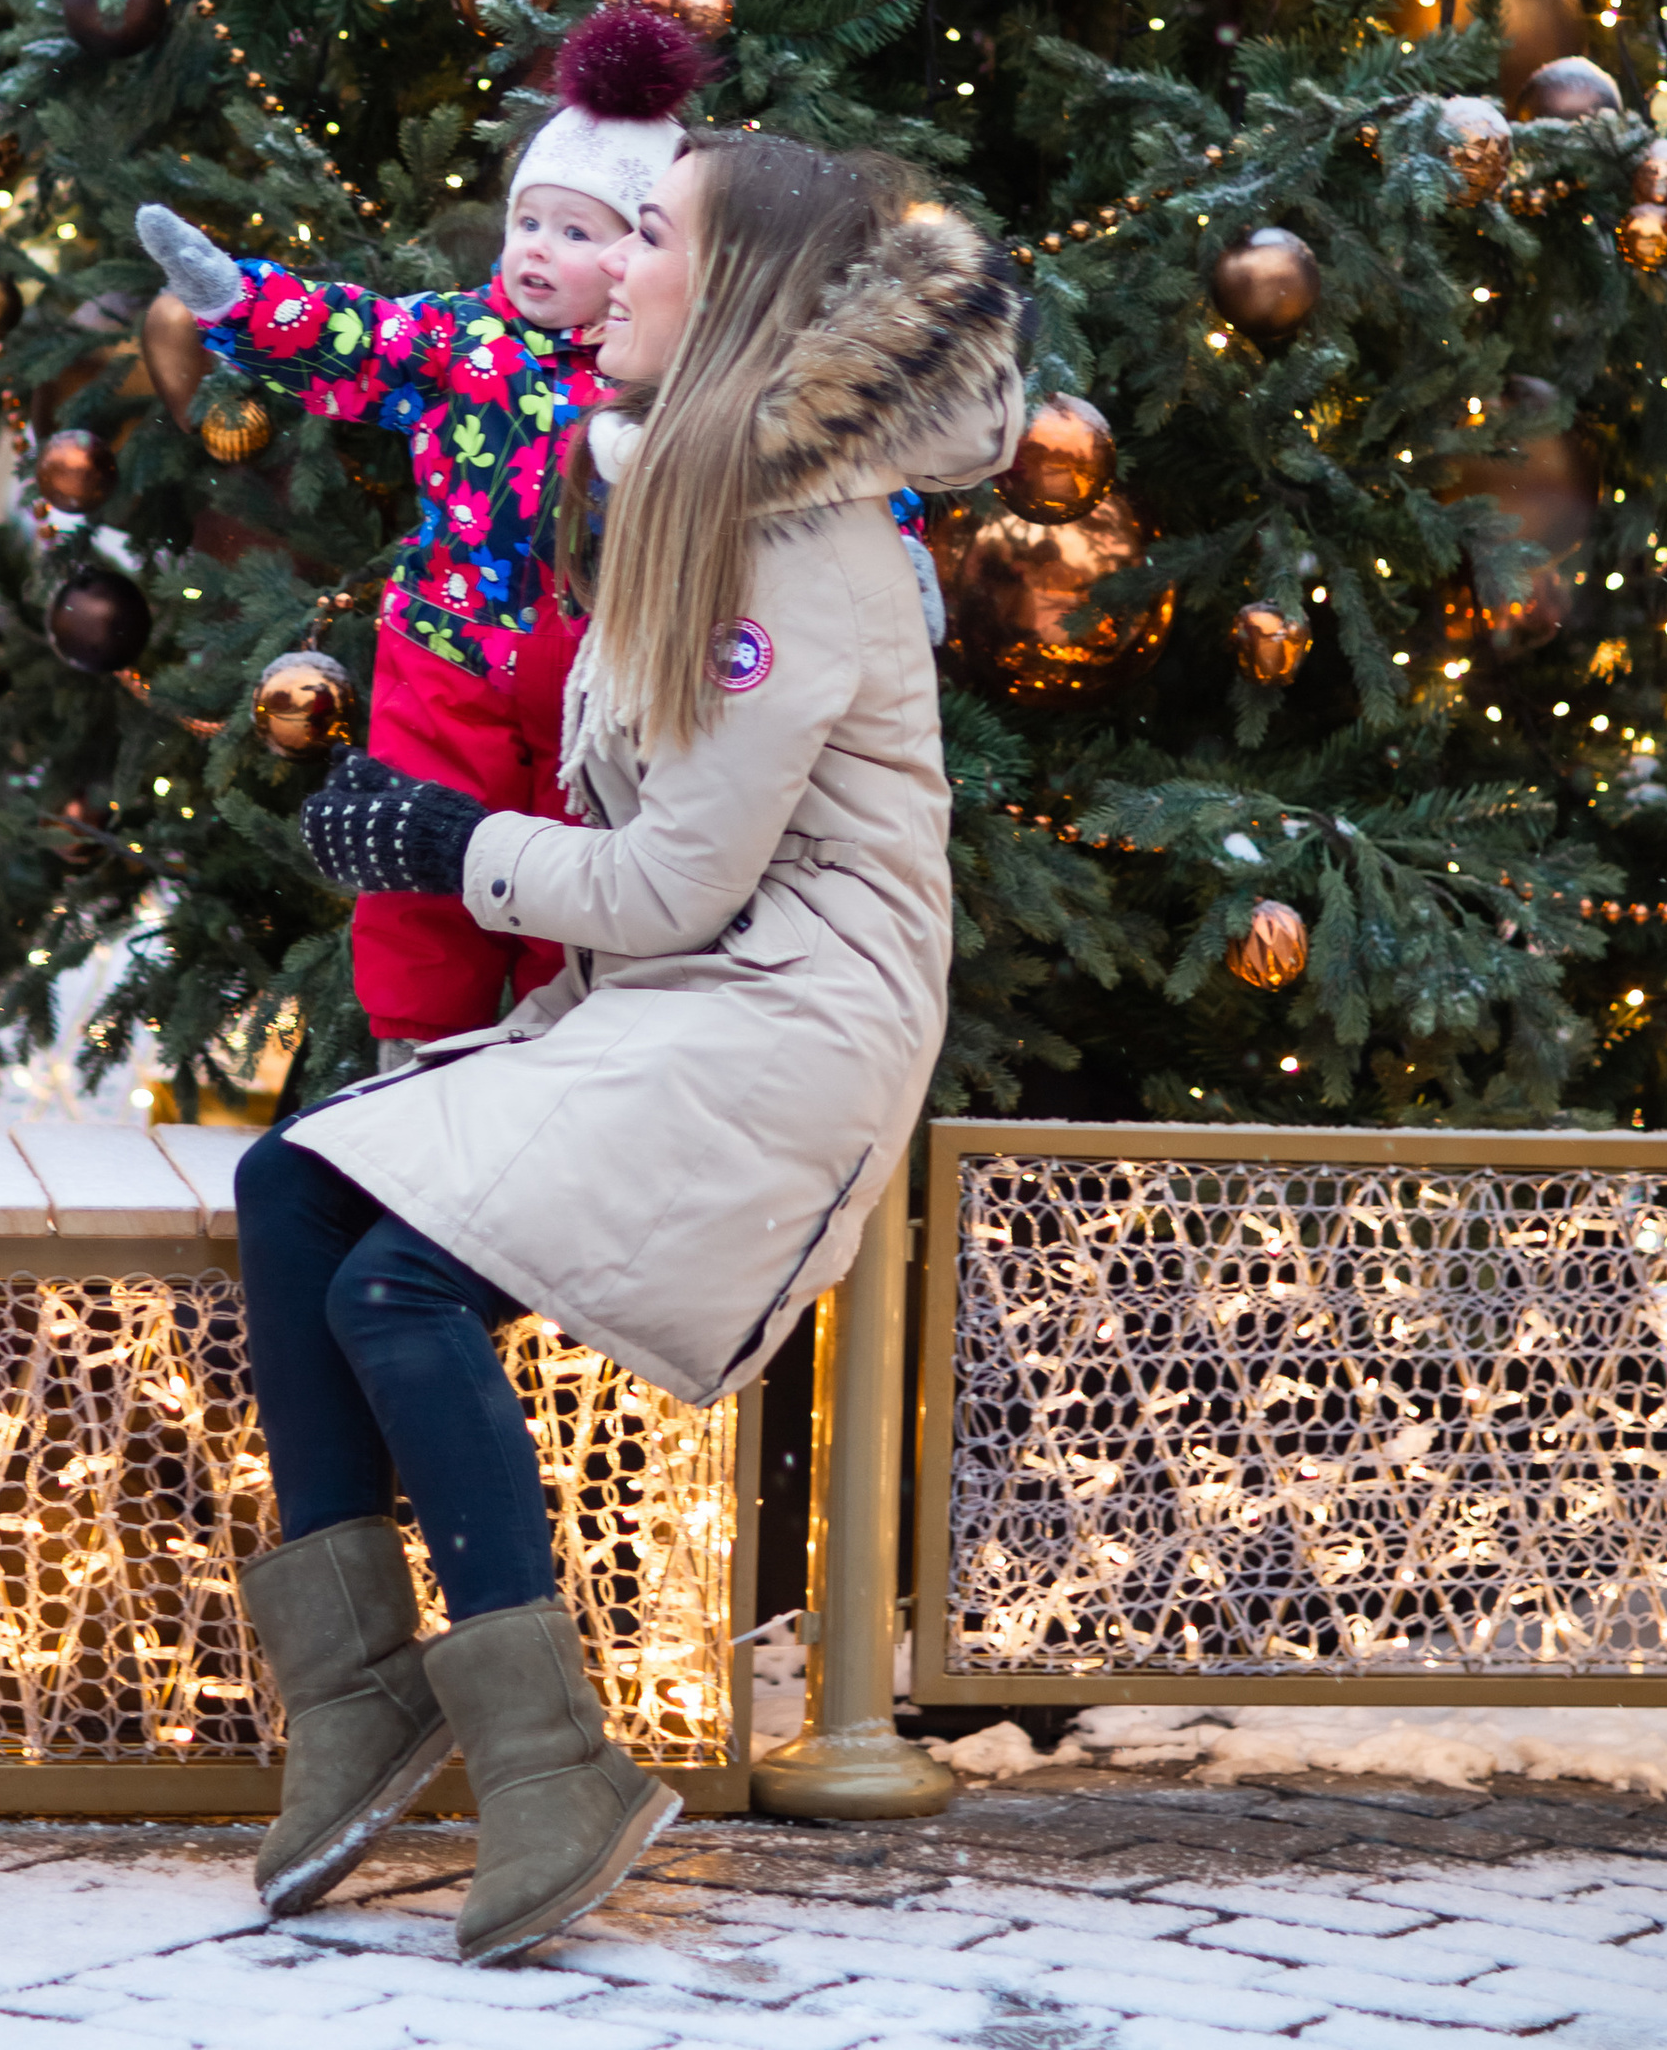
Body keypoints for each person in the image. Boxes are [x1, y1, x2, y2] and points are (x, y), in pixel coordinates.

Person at [229, 135, 1025, 1964]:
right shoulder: (670, 480)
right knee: (291, 1191)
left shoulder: (792, 544)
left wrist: (439, 847)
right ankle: (360, 1696)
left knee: (400, 1295)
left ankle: (548, 1767)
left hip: (787, 1021)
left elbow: (672, 880)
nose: (605, 265)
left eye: (650, 236)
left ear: (727, 292)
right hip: (671, 995)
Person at [135, 4, 706, 1056]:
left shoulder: (667, 374)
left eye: (577, 234)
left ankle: (556, 1060)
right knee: (416, 869)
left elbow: (792, 448)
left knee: (575, 872)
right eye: (527, 223)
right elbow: (353, 335)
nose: (537, 251)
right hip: (445, 655)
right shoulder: (461, 339)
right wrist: (235, 301)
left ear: (638, 258)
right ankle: (410, 1054)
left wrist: (895, 536)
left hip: (601, 674)